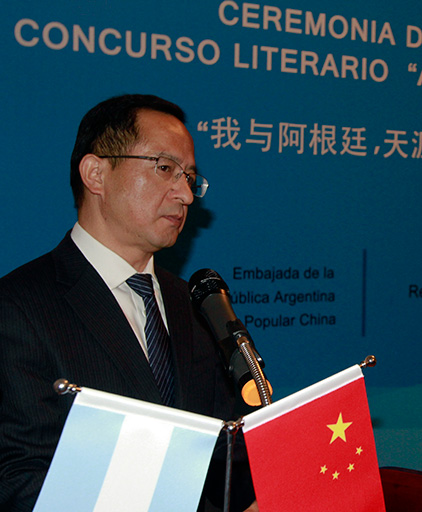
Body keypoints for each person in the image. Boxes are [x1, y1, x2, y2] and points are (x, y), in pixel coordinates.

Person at [0, 94, 257, 511]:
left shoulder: (192, 303)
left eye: (190, 177)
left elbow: (223, 455)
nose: (186, 195)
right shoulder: (18, 309)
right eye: (164, 168)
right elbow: (20, 481)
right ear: (96, 173)